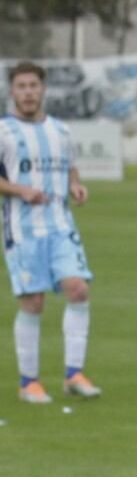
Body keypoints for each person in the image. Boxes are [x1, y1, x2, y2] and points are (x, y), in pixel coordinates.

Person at [0, 62, 101, 403]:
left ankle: (74, 374)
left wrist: (76, 185)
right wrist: (20, 190)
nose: (28, 92)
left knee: (78, 290)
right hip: (23, 230)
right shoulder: (3, 131)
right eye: (21, 86)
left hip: (61, 226)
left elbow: (68, 165)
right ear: (12, 92)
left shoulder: (61, 130)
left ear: (43, 90)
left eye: (33, 85)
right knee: (34, 301)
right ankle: (29, 382)